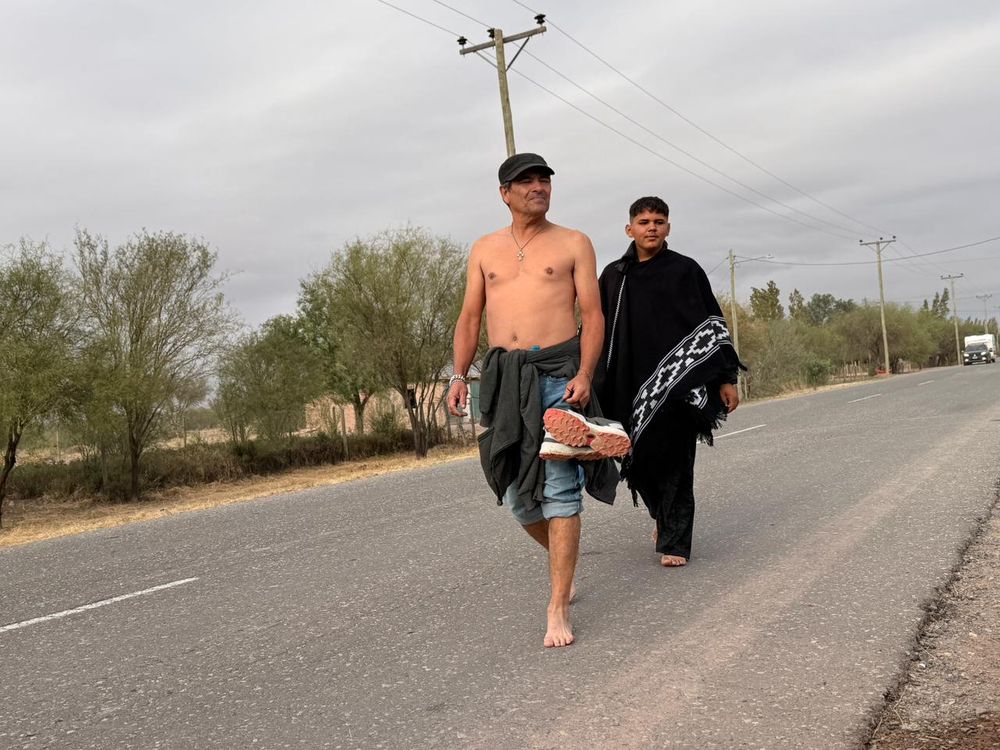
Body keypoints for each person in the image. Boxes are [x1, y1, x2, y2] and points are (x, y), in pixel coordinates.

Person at [447, 153, 618, 648]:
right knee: (517, 495)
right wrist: (459, 375)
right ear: (505, 193)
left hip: (559, 375)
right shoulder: (484, 249)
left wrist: (586, 373)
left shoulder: (573, 242)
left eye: (544, 179)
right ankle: (563, 563)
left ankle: (558, 602)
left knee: (560, 487)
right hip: (504, 379)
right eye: (526, 181)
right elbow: (469, 318)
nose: (538, 186)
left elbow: (593, 313)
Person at [593, 196, 744, 567]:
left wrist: (726, 379)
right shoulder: (614, 276)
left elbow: (711, 325)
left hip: (679, 388)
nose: (652, 227)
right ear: (630, 229)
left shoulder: (685, 271)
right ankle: (662, 517)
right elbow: (595, 328)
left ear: (668, 228)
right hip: (626, 385)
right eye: (644, 221)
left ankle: (675, 542)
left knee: (676, 460)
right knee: (638, 460)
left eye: (659, 221)